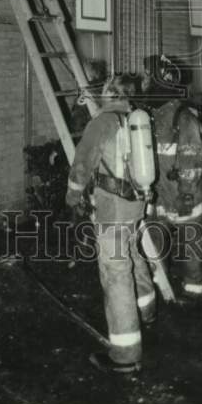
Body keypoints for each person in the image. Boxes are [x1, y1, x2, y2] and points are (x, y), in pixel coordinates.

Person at [65, 73, 156, 375]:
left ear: (109, 94)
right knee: (133, 254)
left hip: (112, 209)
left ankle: (125, 354)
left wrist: (72, 196)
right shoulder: (138, 118)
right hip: (136, 203)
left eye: (104, 90)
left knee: (115, 273)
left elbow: (81, 164)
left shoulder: (101, 123)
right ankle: (148, 309)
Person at [141, 54, 202, 301]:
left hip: (185, 196)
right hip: (159, 195)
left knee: (192, 241)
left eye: (146, 76)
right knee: (154, 240)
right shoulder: (150, 116)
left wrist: (185, 196)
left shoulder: (184, 117)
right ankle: (161, 288)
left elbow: (192, 161)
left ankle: (196, 293)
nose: (143, 82)